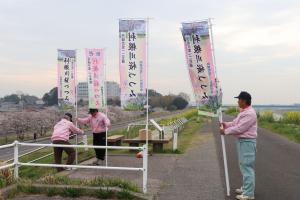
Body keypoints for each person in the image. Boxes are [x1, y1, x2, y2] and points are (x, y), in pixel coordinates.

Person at [220, 91, 257, 200]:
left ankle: (249, 194)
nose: (237, 101)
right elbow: (235, 123)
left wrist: (225, 131)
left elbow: (240, 128)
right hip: (243, 142)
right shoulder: (244, 111)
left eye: (239, 99)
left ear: (244, 101)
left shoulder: (249, 113)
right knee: (244, 166)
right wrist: (225, 125)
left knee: (247, 167)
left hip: (247, 142)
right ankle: (246, 188)